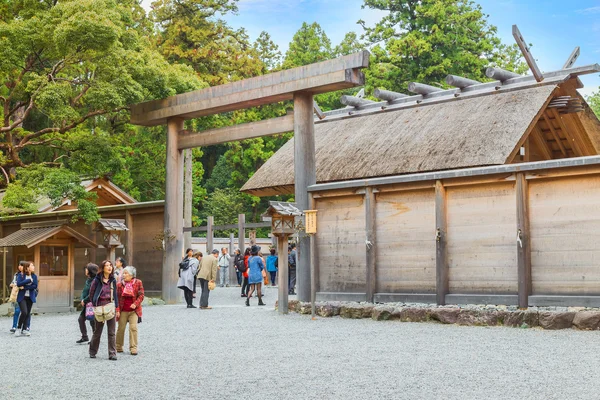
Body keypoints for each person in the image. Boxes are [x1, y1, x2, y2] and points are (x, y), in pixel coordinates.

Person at [89, 260, 119, 360]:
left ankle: (112, 353)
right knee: (98, 331)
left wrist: (117, 308)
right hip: (99, 307)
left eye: (110, 265)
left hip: (110, 306)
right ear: (103, 268)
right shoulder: (97, 280)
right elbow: (91, 293)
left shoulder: (113, 280)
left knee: (111, 332)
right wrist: (94, 305)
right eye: (107, 265)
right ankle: (92, 351)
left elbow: (115, 294)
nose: (109, 267)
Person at [116, 266, 144, 356]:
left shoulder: (138, 282)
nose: (124, 275)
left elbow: (141, 295)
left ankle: (133, 348)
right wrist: (117, 310)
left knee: (133, 328)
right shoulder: (119, 285)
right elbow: (116, 298)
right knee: (121, 328)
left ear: (132, 275)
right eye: (123, 273)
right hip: (123, 309)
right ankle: (118, 346)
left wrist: (135, 304)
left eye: (126, 273)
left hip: (134, 310)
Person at [14, 262, 38, 336]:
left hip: (30, 297)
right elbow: (18, 284)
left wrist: (25, 287)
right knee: (24, 312)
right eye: (32, 265)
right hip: (22, 297)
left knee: (27, 313)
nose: (33, 267)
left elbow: (35, 286)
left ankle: (25, 329)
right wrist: (28, 280)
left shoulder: (34, 276)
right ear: (27, 267)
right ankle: (18, 328)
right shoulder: (21, 275)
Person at [77, 263, 98, 344]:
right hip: (85, 303)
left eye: (87, 269)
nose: (85, 270)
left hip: (91, 304)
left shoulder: (95, 280)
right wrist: (82, 299)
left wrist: (85, 300)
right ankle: (84, 336)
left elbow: (92, 293)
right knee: (81, 319)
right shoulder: (88, 279)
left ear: (90, 271)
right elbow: (84, 291)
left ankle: (94, 338)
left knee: (92, 321)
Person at [9, 261, 26, 333]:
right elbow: (13, 282)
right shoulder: (16, 274)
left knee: (24, 312)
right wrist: (12, 284)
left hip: (24, 295)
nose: (20, 267)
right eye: (19, 265)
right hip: (16, 295)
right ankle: (14, 326)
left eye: (21, 265)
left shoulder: (27, 274)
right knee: (17, 311)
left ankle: (24, 327)